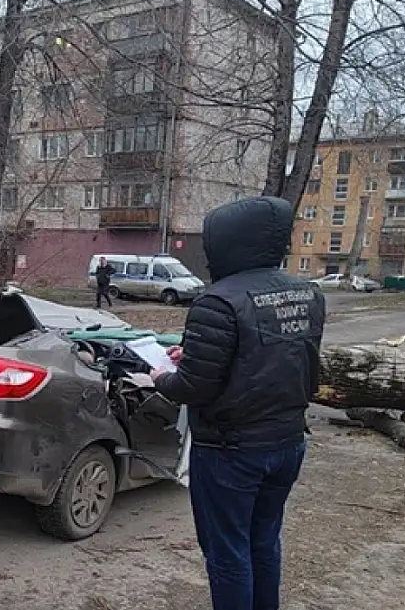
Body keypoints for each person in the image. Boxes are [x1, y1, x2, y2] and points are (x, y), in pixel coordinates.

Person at [150, 196, 325, 610]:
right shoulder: (307, 294)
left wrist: (160, 377)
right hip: (286, 443)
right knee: (263, 542)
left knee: (227, 553)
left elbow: (193, 387)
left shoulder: (218, 301)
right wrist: (193, 355)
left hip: (231, 452)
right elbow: (271, 357)